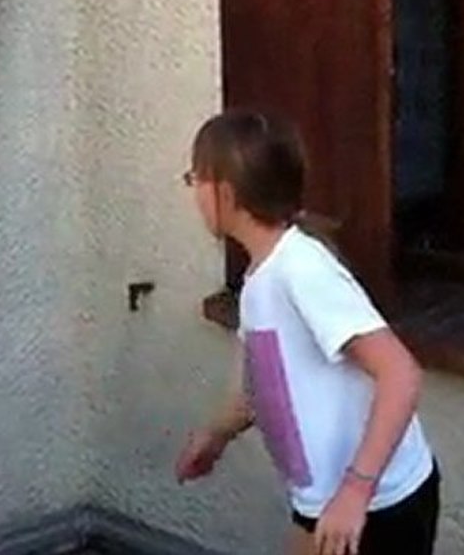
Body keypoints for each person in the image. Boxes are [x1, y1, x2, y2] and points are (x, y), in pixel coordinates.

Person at [174, 111, 439, 555]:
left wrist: (356, 491)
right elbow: (259, 391)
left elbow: (400, 374)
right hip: (326, 502)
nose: (193, 193)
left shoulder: (301, 269)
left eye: (195, 179)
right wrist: (215, 435)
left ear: (226, 192)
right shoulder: (260, 281)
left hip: (379, 504)